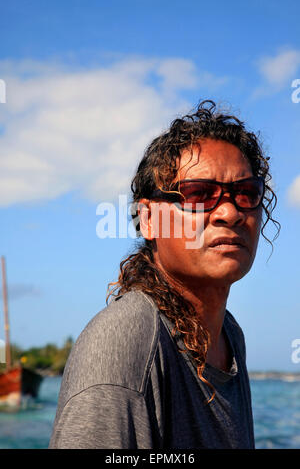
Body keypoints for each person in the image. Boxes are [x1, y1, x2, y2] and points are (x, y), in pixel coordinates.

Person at [49, 100, 279, 449]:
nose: (230, 212)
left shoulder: (229, 335)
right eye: (199, 194)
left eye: (246, 193)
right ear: (150, 218)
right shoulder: (126, 344)